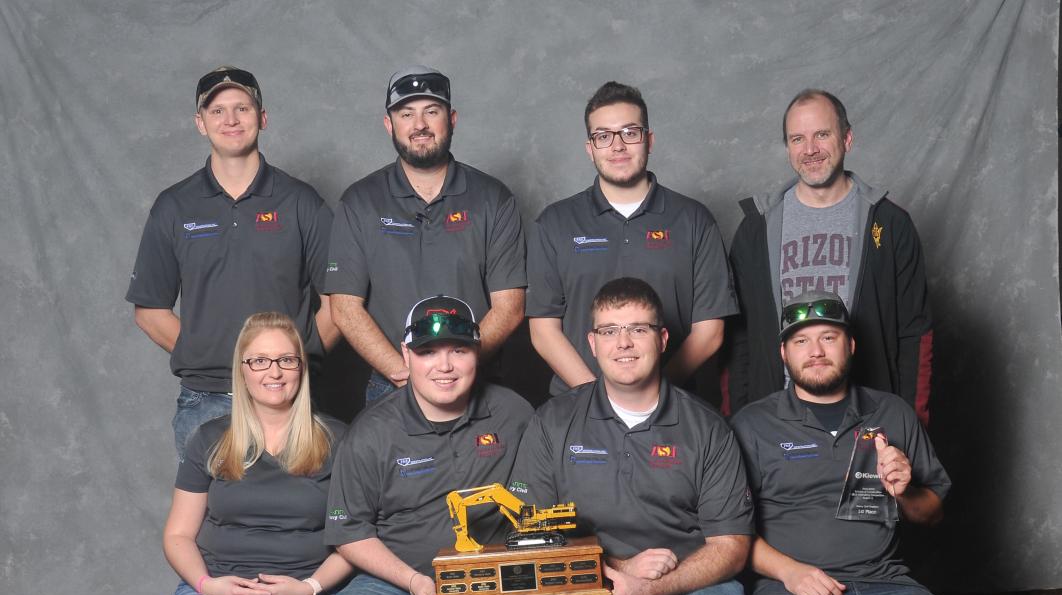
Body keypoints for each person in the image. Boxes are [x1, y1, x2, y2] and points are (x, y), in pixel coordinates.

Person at [515, 278, 760, 595]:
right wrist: (619, 566)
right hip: (588, 584)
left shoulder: (707, 427)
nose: (623, 343)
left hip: (691, 581)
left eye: (639, 329)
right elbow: (528, 534)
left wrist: (651, 587)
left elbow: (731, 546)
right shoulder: (552, 422)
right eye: (609, 331)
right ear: (592, 343)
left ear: (663, 338)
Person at [729, 290, 977, 595]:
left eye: (828, 337)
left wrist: (904, 491)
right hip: (791, 586)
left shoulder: (892, 412)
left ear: (851, 346)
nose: (816, 351)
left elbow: (931, 513)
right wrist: (790, 572)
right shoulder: (752, 424)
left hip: (884, 578)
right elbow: (727, 531)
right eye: (801, 341)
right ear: (784, 354)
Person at [305, 295, 539, 595]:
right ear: (405, 355)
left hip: (486, 586)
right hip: (392, 584)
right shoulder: (372, 430)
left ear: (477, 353)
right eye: (428, 352)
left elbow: (541, 499)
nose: (444, 366)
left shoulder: (514, 414)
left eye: (458, 350)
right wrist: (412, 580)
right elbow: (350, 532)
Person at [126, 66, 337, 461]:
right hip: (206, 403)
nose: (231, 120)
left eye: (242, 108)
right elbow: (150, 309)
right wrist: (208, 353)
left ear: (263, 117)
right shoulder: (174, 206)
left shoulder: (300, 202)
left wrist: (290, 361)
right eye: (218, 110)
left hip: (287, 399)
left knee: (297, 519)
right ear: (200, 123)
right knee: (205, 521)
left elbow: (339, 302)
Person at [162, 312, 351, 595]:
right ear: (242, 370)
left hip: (295, 587)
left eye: (287, 360)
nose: (275, 372)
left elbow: (355, 539)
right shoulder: (210, 438)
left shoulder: (338, 439)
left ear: (301, 367)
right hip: (212, 584)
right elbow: (178, 535)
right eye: (260, 360)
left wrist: (308, 588)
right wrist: (207, 585)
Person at [726, 89, 932, 426]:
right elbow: (738, 342)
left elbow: (916, 336)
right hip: (777, 426)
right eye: (797, 139)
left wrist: (913, 427)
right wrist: (736, 425)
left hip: (869, 422)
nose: (810, 150)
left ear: (847, 139)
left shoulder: (890, 224)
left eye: (822, 134)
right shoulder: (756, 229)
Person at [324, 66, 526, 403]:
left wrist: (456, 372)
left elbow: (510, 307)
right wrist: (407, 376)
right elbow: (344, 308)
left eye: (432, 112)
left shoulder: (494, 199)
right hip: (391, 387)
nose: (419, 125)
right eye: (407, 114)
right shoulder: (359, 203)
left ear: (452, 119)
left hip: (478, 385)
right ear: (389, 124)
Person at [528, 81, 737, 396]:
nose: (617, 146)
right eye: (603, 136)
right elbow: (544, 331)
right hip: (578, 407)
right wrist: (597, 401)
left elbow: (710, 332)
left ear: (649, 140)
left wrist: (652, 396)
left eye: (630, 133)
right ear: (590, 148)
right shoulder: (554, 224)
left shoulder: (694, 220)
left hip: (674, 411)